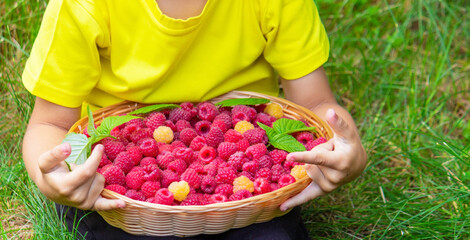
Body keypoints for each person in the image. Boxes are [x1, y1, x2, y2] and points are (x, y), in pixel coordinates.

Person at [22, 0, 367, 239]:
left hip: (246, 189)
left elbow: (317, 104)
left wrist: (345, 153)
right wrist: (52, 177)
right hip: (122, 198)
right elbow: (49, 124)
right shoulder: (84, 6)